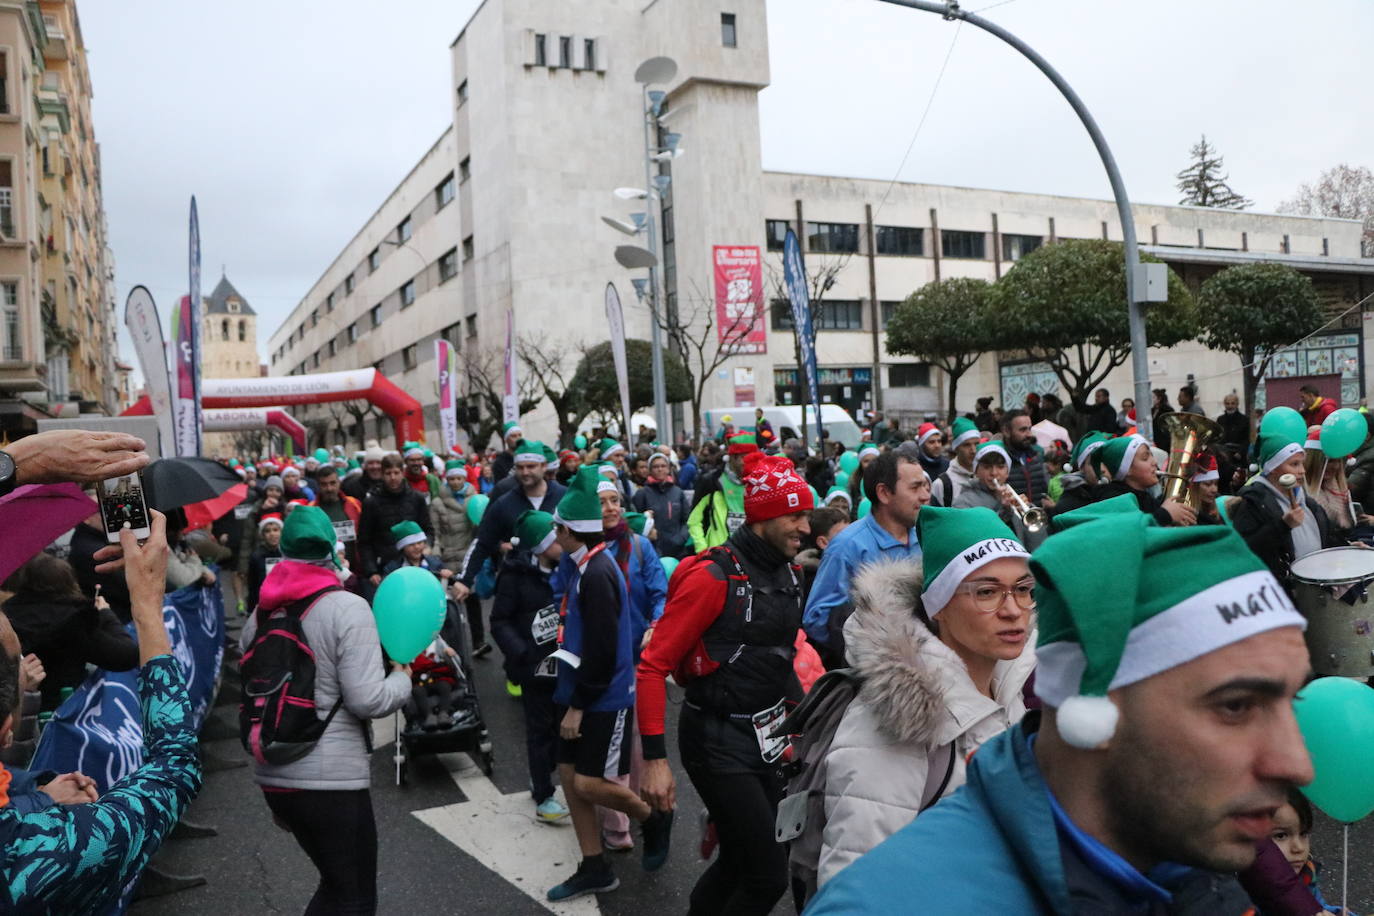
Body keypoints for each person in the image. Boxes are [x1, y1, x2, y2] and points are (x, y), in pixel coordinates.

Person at [807, 512, 1314, 914]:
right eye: (1234, 706)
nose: (1299, 766)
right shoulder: (893, 726)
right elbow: (856, 869)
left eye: (1024, 589)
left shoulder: (1017, 696)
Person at [816, 507, 1036, 891]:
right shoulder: (893, 721)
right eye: (986, 592)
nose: (1013, 610)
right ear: (940, 606)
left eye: (1022, 588)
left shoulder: (1009, 686)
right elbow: (855, 889)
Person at [0, 508, 203, 912]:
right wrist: (147, 604)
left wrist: (34, 796)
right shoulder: (59, 849)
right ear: (8, 727)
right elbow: (175, 764)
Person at [638, 453, 812, 915]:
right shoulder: (714, 577)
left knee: (741, 858)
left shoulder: (789, 572)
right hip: (714, 739)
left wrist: (808, 724)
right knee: (767, 876)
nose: (806, 527)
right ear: (763, 518)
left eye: (806, 515)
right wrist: (655, 762)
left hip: (765, 738)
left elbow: (777, 660)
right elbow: (652, 667)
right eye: (795, 515)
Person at [241, 505, 411, 915]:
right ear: (332, 552)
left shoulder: (260, 615)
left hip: (275, 775)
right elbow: (366, 699)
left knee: (336, 887)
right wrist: (403, 677)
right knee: (353, 896)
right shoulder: (347, 608)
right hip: (330, 783)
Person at [544, 467, 673, 901]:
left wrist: (579, 704)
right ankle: (594, 866)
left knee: (587, 782)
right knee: (568, 776)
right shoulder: (578, 563)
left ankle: (651, 818)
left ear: (568, 531)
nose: (553, 532)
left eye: (556, 526)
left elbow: (602, 651)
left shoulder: (598, 573)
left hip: (603, 696)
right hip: (575, 688)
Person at [804, 449, 931, 665]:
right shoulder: (847, 546)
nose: (925, 495)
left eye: (926, 486)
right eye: (915, 487)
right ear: (883, 493)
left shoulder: (928, 536)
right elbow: (817, 619)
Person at [489, 510, 569, 823]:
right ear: (539, 545)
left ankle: (565, 778)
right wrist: (522, 653)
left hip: (569, 664)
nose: (562, 542)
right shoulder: (514, 575)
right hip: (535, 669)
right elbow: (499, 620)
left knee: (566, 729)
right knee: (539, 731)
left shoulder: (571, 569)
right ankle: (544, 792)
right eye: (554, 538)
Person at [1, 552, 138, 710]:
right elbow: (126, 655)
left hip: (23, 709)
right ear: (70, 582)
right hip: (65, 711)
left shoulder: (6, 616)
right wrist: (106, 614)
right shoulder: (72, 621)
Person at [453, 439, 566, 609]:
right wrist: (466, 580)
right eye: (520, 467)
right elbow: (483, 541)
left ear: (544, 466)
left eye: (531, 466)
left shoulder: (563, 497)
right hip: (521, 586)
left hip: (561, 582)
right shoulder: (504, 503)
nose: (525, 472)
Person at [1232, 433, 1341, 583]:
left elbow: (1328, 537)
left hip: (1313, 587)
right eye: (1294, 464)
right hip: (1280, 589)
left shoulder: (1307, 502)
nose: (1302, 470)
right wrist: (1283, 526)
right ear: (1273, 468)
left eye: (1302, 463)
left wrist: (1347, 547)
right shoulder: (1253, 501)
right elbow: (1246, 549)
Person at [357, 454, 433, 591]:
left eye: (396, 473)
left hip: (415, 566)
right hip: (385, 567)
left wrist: (427, 546)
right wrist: (371, 570)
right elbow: (364, 541)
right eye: (388, 473)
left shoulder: (417, 498)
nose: (393, 478)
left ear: (402, 472)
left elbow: (428, 529)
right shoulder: (371, 502)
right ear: (382, 474)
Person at [1268, 788, 1346, 915]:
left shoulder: (1306, 876)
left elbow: (1318, 906)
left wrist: (1337, 913)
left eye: (1303, 833)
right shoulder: (1240, 895)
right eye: (1281, 836)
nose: (1299, 848)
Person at [687, 433, 756, 552]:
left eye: (752, 458)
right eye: (744, 458)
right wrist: (703, 550)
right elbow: (694, 520)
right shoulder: (712, 481)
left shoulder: (760, 483)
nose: (748, 463)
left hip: (750, 555)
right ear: (733, 457)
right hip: (719, 555)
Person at [633, 453, 690, 560]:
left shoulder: (678, 492)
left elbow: (687, 520)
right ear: (650, 470)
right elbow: (637, 522)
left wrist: (681, 538)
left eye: (663, 466)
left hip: (677, 550)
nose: (660, 469)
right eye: (655, 466)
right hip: (652, 549)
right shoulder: (642, 493)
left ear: (668, 469)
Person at [308, 464, 362, 574]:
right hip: (324, 572)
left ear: (339, 482)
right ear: (318, 485)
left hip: (355, 570)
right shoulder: (311, 509)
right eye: (324, 484)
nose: (329, 488)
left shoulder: (354, 504)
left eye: (333, 483)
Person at [929, 418, 980, 508]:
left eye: (976, 444)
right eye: (967, 445)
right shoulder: (942, 485)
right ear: (956, 447)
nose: (973, 450)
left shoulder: (986, 478)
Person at [380, 520, 451, 580]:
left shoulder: (435, 564)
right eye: (411, 544)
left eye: (419, 543)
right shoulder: (393, 569)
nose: (417, 547)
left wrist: (449, 577)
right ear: (403, 547)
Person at [244, 513, 285, 612]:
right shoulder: (257, 556)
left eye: (276, 530)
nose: (272, 534)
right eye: (267, 531)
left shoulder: (287, 554)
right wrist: (251, 609)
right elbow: (253, 585)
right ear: (262, 535)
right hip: (264, 602)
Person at [1189, 453, 1224, 526]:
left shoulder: (1219, 514)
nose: (1214, 490)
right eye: (1207, 484)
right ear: (1195, 487)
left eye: (1216, 484)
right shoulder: (1187, 517)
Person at [847, 443, 880, 508]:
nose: (870, 464)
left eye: (874, 460)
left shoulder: (886, 478)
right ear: (860, 463)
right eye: (866, 461)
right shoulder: (854, 482)